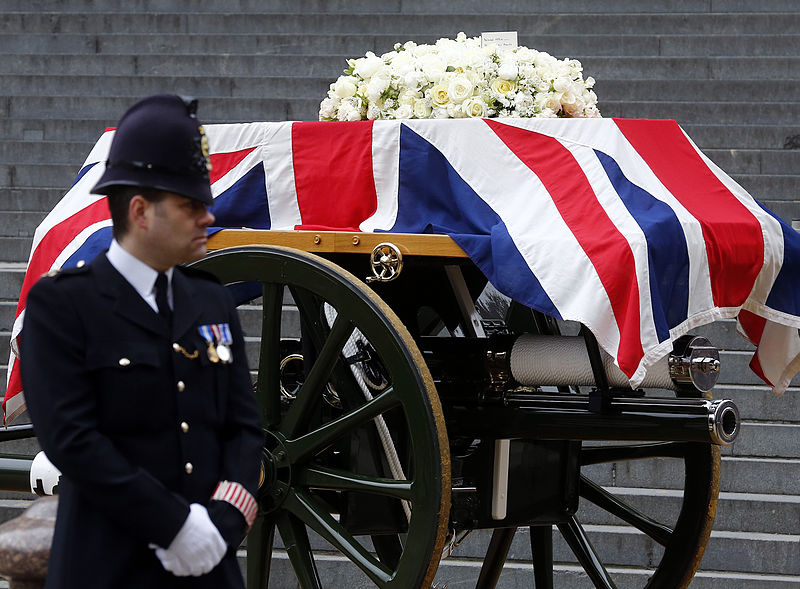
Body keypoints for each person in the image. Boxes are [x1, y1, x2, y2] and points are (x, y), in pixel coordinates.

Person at [20, 95, 264, 588]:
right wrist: (176, 528)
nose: (208, 218)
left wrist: (221, 525)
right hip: (108, 565)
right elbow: (72, 441)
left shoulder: (211, 302)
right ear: (140, 211)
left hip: (208, 566)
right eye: (190, 205)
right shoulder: (63, 306)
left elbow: (244, 429)